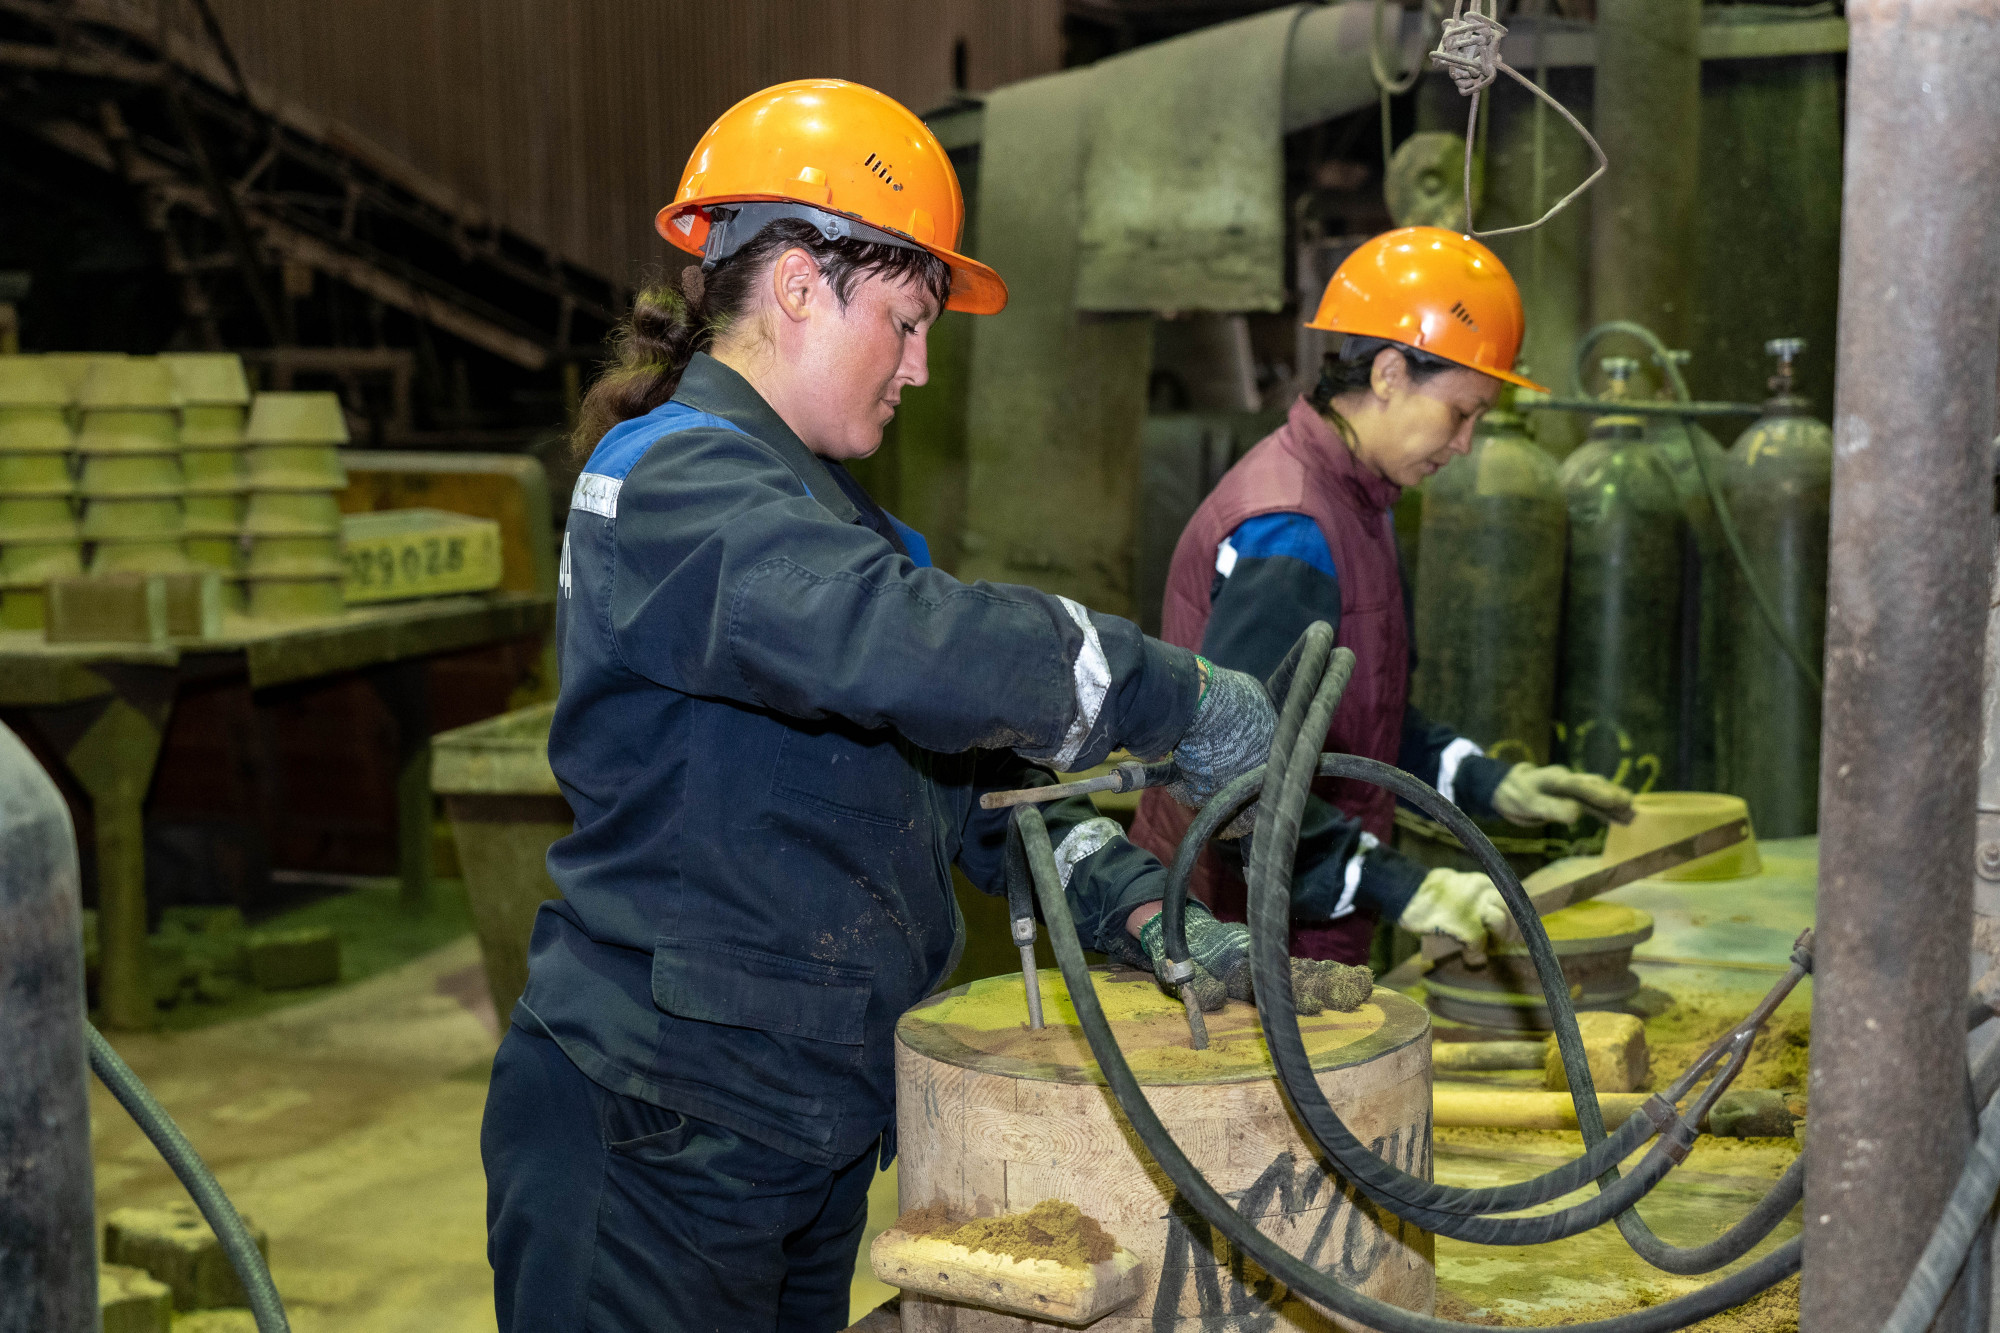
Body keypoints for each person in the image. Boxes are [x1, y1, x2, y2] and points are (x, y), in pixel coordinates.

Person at [479, 79, 1361, 1333]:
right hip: (654, 1126)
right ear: (797, 284)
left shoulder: (842, 527)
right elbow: (901, 645)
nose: (921, 366)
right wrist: (1165, 689)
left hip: (798, 1125)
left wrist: (1147, 912)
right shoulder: (670, 481)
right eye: (904, 321)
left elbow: (977, 798)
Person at [1131, 227, 1634, 969]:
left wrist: (1486, 780)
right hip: (1237, 939)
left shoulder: (1360, 502)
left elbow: (1353, 713)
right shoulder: (1291, 529)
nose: (1465, 444)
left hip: (1300, 927)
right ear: (1391, 373)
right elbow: (1235, 782)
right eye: (1461, 412)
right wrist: (1403, 885)